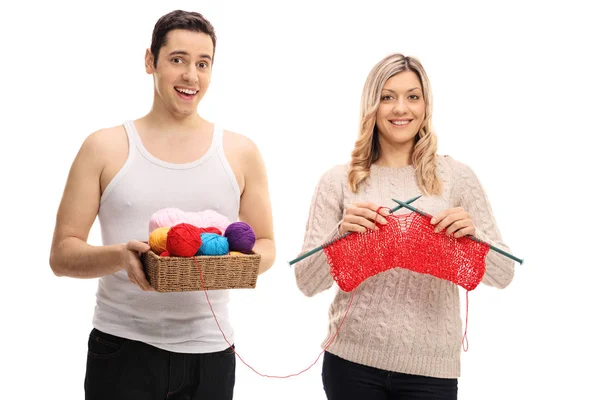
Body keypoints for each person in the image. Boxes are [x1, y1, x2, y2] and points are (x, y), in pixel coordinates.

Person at [49, 9, 275, 400]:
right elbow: (62, 254)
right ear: (150, 61)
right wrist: (120, 256)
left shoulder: (241, 152)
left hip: (212, 353)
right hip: (122, 348)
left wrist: (224, 267)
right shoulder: (104, 147)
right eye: (178, 60)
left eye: (203, 64)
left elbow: (267, 245)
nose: (192, 76)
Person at [293, 53, 515, 400]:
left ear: (426, 105)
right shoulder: (338, 181)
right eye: (387, 97)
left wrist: (475, 238)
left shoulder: (456, 177)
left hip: (432, 368)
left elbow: (504, 274)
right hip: (350, 361)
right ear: (372, 105)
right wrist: (341, 237)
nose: (401, 108)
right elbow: (306, 282)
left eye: (413, 96)